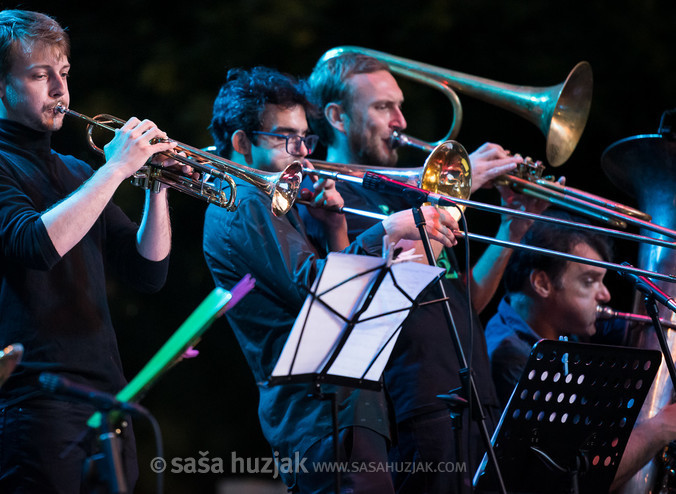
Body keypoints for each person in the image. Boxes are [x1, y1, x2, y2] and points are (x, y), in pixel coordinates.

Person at [0, 10, 187, 493]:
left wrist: (155, 185)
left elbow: (148, 271)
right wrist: (116, 171)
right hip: (36, 401)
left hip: (109, 399)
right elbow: (36, 243)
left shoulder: (79, 171)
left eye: (65, 73)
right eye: (40, 76)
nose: (60, 90)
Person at [202, 66, 459, 493]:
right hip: (317, 413)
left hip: (344, 409)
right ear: (242, 143)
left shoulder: (274, 205)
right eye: (287, 138)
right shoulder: (240, 201)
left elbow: (341, 307)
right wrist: (385, 232)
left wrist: (336, 229)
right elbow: (314, 291)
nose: (302, 153)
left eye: (305, 138)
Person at [306, 51, 543, 492]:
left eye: (399, 105)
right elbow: (364, 303)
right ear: (337, 116)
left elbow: (462, 299)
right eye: (382, 107)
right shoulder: (328, 200)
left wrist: (516, 224)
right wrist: (451, 190)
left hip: (478, 398)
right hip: (415, 407)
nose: (400, 120)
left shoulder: (407, 196)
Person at [485, 211, 676, 491]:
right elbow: (570, 481)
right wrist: (658, 429)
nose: (606, 295)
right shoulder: (513, 357)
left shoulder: (557, 333)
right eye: (589, 281)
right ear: (542, 283)